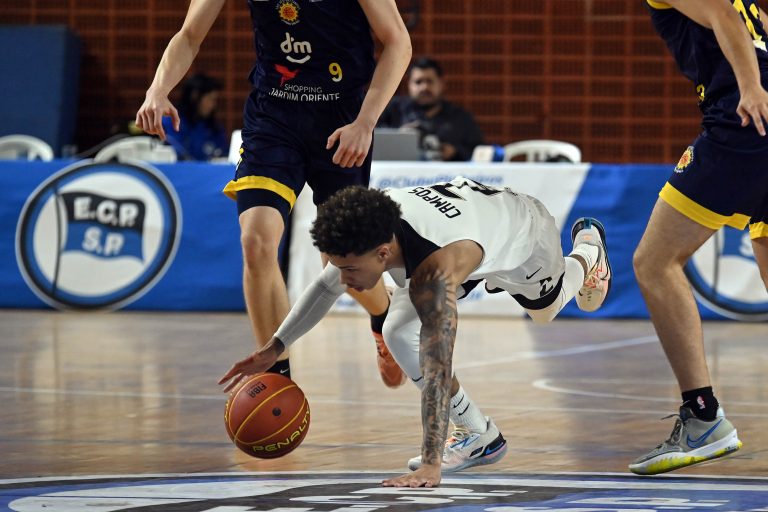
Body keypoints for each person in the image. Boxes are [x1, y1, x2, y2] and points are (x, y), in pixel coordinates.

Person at [219, 176, 613, 487]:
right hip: (467, 230)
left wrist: (430, 463)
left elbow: (438, 367)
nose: (345, 280)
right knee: (396, 330)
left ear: (383, 254)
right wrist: (275, 347)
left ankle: (587, 253)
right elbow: (325, 287)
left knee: (545, 310)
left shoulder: (434, 275)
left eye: (350, 270)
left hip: (521, 234)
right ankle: (479, 435)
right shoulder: (370, 228)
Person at [135, 0, 412, 388]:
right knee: (256, 240)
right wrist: (158, 89)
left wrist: (366, 122)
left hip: (342, 118)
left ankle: (382, 316)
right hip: (273, 119)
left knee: (342, 264)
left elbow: (398, 40)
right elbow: (189, 35)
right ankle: (277, 379)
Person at [630, 0, 768, 475]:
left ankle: (704, 419)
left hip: (744, 121)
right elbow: (756, 25)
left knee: (654, 263)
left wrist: (750, 88)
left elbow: (725, 19)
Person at [378, 57, 484, 161]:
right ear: (409, 84)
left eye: (430, 81)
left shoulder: (460, 118)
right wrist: (398, 135)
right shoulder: (393, 109)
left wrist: (454, 152)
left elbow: (479, 151)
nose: (424, 87)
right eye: (418, 82)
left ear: (441, 84)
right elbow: (373, 137)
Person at [161, 73, 227, 161]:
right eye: (210, 99)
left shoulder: (215, 128)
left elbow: (223, 157)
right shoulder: (170, 123)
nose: (213, 105)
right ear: (194, 96)